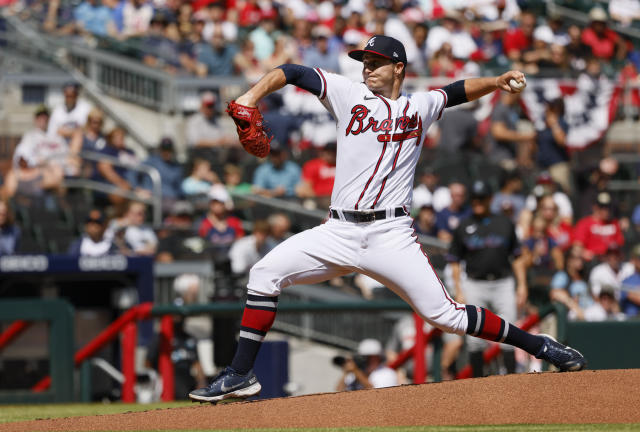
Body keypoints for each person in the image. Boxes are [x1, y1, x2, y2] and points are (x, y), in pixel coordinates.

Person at [188, 34, 585, 403]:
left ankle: (540, 345)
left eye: (376, 61)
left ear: (399, 68)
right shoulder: (347, 94)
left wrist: (496, 81)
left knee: (444, 315)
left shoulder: (420, 105)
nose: (367, 67)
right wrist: (251, 95)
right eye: (364, 60)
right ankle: (240, 373)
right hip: (339, 230)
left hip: (390, 233)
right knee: (263, 274)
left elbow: (455, 92)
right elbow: (292, 72)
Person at [449, 180, 528, 378]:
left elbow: (517, 257)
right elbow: (455, 261)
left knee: (510, 330)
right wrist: (459, 289)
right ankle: (478, 381)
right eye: (474, 198)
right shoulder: (464, 225)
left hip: (503, 282)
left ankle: (511, 379)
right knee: (475, 337)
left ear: (490, 199)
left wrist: (522, 286)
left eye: (481, 198)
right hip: (475, 283)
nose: (477, 202)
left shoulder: (504, 223)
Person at [572, 192, 624, 262]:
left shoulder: (614, 223)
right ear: (595, 207)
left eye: (608, 206)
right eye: (602, 207)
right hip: (593, 261)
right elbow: (577, 246)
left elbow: (620, 244)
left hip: (611, 260)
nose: (606, 210)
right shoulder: (585, 223)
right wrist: (583, 253)